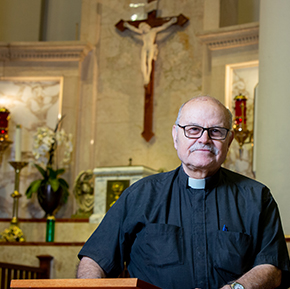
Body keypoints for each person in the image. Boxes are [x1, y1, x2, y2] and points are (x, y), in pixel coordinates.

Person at [77, 96, 290, 289]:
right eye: (193, 129)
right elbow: (95, 259)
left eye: (215, 131)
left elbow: (272, 267)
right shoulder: (140, 195)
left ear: (230, 140)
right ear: (176, 135)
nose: (204, 139)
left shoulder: (257, 197)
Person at [123, 17, 177, 85]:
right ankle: (145, 77)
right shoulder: (142, 33)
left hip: (151, 47)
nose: (143, 29)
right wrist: (127, 25)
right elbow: (134, 29)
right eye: (142, 29)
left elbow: (163, 27)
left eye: (144, 27)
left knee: (149, 62)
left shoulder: (153, 31)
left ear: (147, 26)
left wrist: (171, 22)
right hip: (144, 47)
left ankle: (148, 76)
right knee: (143, 62)